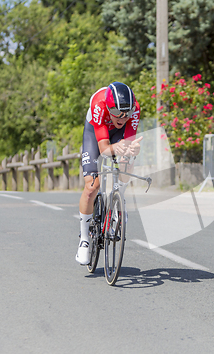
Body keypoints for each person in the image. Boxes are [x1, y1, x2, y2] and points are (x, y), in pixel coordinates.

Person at [76, 82, 143, 265]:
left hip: (118, 134)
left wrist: (131, 150)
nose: (122, 117)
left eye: (126, 113)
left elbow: (129, 143)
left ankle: (119, 200)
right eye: (117, 113)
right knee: (92, 186)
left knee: (125, 165)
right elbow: (104, 148)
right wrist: (114, 148)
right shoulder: (99, 104)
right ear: (108, 107)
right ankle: (84, 238)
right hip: (96, 132)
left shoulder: (133, 110)